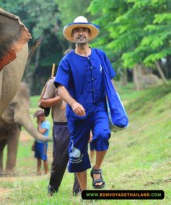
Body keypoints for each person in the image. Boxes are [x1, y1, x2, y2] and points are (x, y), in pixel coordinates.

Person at [54, 16, 116, 191]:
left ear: (89, 34)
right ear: (73, 36)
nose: (81, 33)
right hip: (77, 114)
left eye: (84, 30)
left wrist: (114, 104)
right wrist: (73, 104)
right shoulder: (67, 61)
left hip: (99, 109)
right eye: (77, 31)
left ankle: (97, 169)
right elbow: (60, 88)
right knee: (79, 153)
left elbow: (110, 82)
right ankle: (85, 192)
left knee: (103, 134)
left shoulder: (100, 55)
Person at [38, 76, 80, 196]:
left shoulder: (79, 79)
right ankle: (52, 188)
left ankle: (78, 190)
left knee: (79, 157)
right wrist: (59, 97)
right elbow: (43, 102)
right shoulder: (53, 82)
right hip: (61, 126)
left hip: (78, 124)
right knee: (59, 161)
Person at [32, 110, 50, 175]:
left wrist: (39, 125)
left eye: (38, 117)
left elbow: (41, 132)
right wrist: (34, 143)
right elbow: (37, 134)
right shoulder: (40, 124)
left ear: (42, 116)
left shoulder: (46, 124)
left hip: (43, 143)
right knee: (38, 158)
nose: (37, 119)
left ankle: (46, 172)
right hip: (38, 143)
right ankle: (38, 171)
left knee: (44, 158)